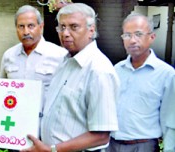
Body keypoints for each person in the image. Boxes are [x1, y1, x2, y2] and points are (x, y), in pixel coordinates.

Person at [21, 3, 119, 152]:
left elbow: (101, 135)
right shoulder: (65, 61)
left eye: (74, 27)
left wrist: (53, 149)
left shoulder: (99, 70)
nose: (65, 33)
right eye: (62, 27)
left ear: (91, 30)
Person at [106, 13, 175, 152]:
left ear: (151, 37)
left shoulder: (166, 74)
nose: (132, 40)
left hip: (143, 146)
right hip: (111, 144)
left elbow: (170, 119)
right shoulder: (117, 69)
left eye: (138, 34)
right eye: (127, 35)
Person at [0, 5, 67, 136]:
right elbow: (0, 89)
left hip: (47, 131)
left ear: (41, 27)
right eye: (21, 26)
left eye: (31, 26)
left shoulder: (60, 55)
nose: (26, 32)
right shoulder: (9, 55)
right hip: (14, 129)